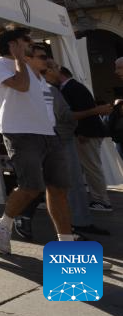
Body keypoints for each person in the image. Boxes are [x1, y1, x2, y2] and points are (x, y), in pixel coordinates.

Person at [0, 24, 74, 254]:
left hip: (48, 135)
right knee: (31, 187)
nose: (30, 45)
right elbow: (21, 86)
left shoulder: (29, 68)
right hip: (20, 133)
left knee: (59, 189)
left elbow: (42, 98)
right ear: (12, 44)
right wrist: (18, 59)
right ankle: (3, 223)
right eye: (26, 40)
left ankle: (67, 248)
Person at [14, 47, 108, 241]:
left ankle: (68, 233)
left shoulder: (52, 90)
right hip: (48, 141)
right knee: (44, 186)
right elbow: (63, 116)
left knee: (58, 187)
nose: (55, 69)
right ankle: (15, 218)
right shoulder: (35, 88)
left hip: (58, 140)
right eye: (49, 64)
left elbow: (61, 116)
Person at [57, 66, 113, 213]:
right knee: (87, 167)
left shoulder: (72, 88)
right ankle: (96, 198)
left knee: (92, 167)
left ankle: (102, 201)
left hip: (87, 134)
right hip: (87, 133)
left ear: (61, 74)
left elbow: (83, 111)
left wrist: (82, 132)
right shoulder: (72, 87)